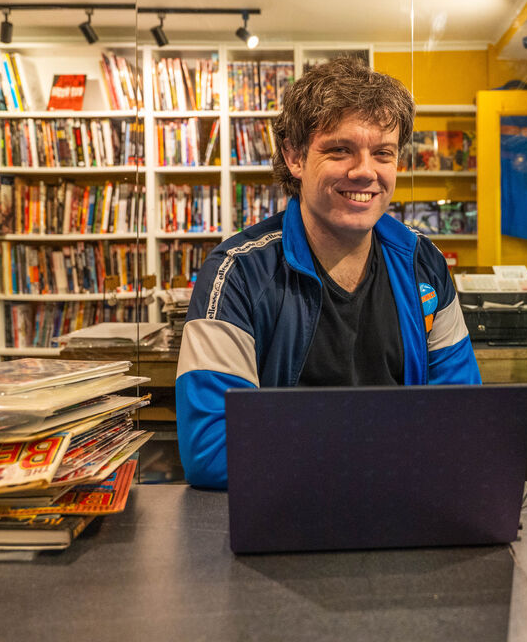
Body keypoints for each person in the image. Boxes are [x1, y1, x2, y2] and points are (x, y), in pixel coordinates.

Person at [176, 56, 481, 489]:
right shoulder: (236, 274)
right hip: (281, 524)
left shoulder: (423, 263)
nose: (365, 171)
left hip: (404, 511)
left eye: (383, 153)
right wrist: (396, 449)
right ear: (295, 156)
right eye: (340, 150)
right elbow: (212, 450)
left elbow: (465, 419)